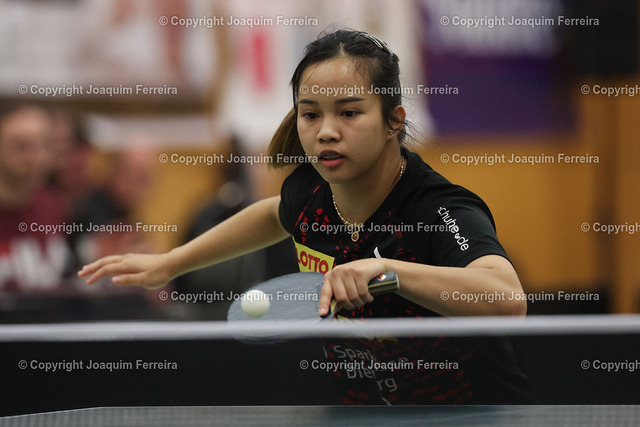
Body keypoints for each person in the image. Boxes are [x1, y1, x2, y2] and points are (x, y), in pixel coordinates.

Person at [79, 29, 531, 404]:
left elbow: (508, 299)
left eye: (349, 112)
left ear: (394, 120)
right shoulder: (310, 192)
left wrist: (388, 273)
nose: (326, 131)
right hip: (368, 413)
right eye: (310, 114)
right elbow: (272, 215)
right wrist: (171, 263)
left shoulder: (437, 209)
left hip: (471, 414)